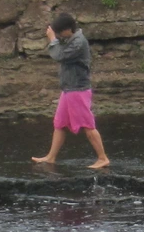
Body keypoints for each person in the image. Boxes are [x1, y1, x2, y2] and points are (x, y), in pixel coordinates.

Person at [33, 11, 109, 169]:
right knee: (59, 124)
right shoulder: (70, 39)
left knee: (88, 126)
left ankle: (103, 158)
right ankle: (51, 157)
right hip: (68, 89)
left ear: (68, 30)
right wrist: (56, 39)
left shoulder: (78, 43)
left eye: (60, 32)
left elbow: (59, 56)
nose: (59, 35)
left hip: (78, 90)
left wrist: (53, 40)